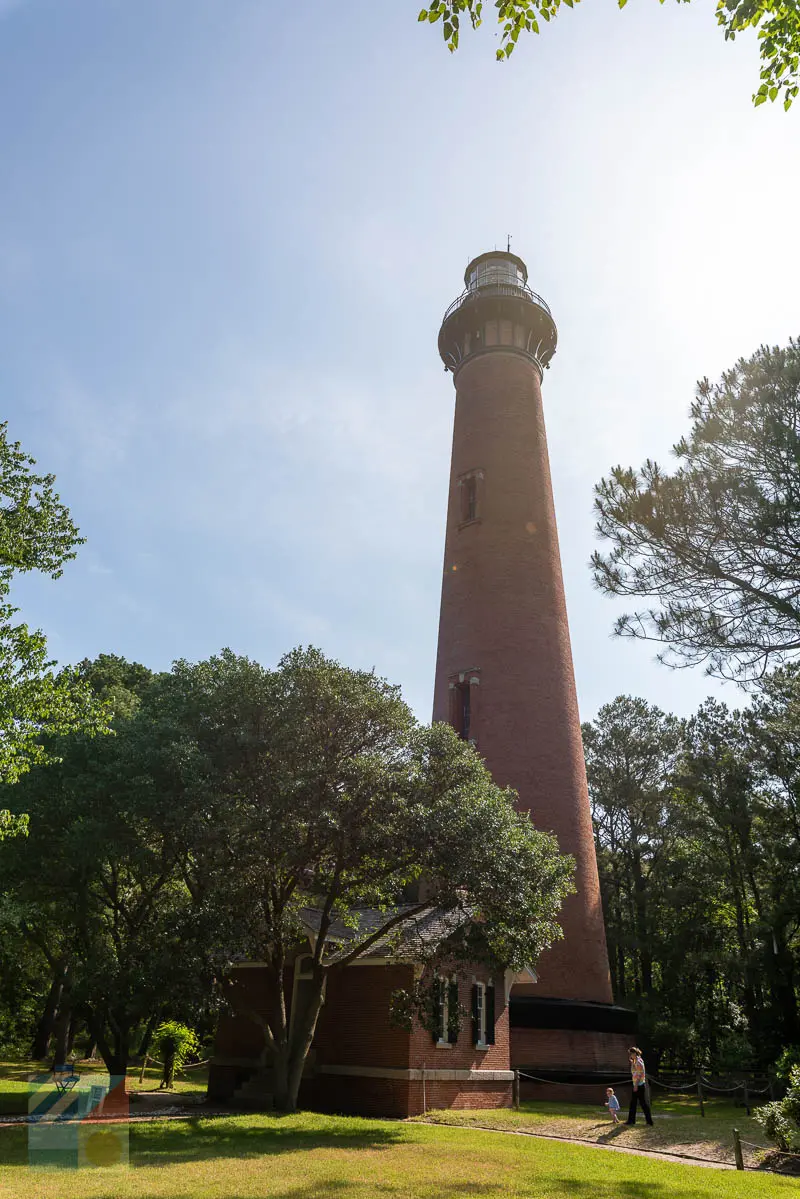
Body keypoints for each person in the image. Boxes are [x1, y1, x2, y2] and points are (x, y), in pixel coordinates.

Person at [626, 1046, 654, 1125]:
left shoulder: (639, 1061)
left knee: (642, 1103)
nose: (630, 1055)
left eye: (631, 1054)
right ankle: (632, 1121)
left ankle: (649, 1121)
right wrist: (632, 1063)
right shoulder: (636, 1061)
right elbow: (634, 1071)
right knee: (634, 1103)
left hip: (639, 1085)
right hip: (637, 1084)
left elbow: (639, 1074)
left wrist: (636, 1086)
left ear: (634, 1053)